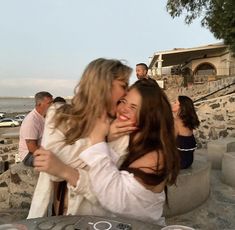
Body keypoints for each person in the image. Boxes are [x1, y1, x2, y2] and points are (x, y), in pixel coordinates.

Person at [34, 79, 180, 225]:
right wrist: (106, 137)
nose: (123, 109)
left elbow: (114, 198)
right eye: (123, 101)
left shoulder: (155, 156)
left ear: (150, 116)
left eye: (133, 107)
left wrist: (66, 170)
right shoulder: (127, 138)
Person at [27, 58, 135, 218]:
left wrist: (64, 169)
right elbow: (52, 171)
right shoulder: (58, 113)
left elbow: (108, 191)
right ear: (103, 85)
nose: (127, 93)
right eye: (123, 86)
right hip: (54, 212)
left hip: (94, 219)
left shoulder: (122, 134)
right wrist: (103, 137)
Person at [18, 91, 53, 167]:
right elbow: (32, 148)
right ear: (39, 104)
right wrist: (51, 154)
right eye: (49, 103)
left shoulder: (44, 117)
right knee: (56, 162)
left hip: (41, 150)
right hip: (28, 156)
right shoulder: (31, 121)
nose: (52, 106)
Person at [172, 95, 200, 169]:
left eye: (175, 102)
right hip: (189, 161)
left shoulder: (176, 121)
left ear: (181, 107)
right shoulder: (188, 120)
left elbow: (171, 141)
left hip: (178, 162)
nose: (172, 104)